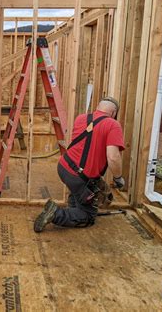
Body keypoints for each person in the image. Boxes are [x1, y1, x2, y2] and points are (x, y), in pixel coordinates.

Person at [34, 97, 126, 232]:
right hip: (79, 178)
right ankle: (55, 214)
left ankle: (73, 208)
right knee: (88, 216)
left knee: (79, 191)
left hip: (64, 167)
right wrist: (118, 178)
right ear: (113, 113)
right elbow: (113, 157)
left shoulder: (81, 118)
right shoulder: (113, 124)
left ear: (98, 108)